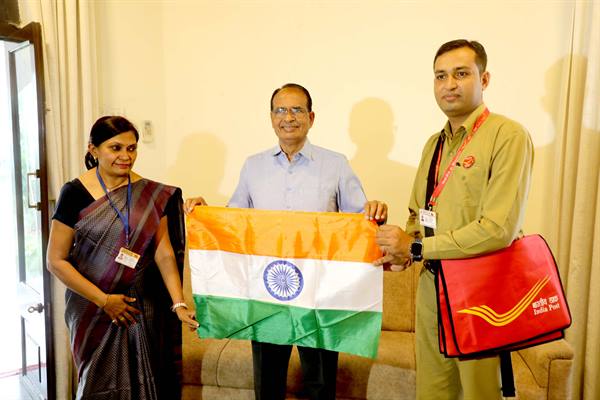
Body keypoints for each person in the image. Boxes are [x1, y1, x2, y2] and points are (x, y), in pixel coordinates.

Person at [185, 83, 387, 400]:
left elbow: (359, 220)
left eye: (296, 110)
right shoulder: (253, 165)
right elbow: (235, 221)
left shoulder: (335, 164)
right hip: (267, 289)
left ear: (311, 117)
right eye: (281, 110)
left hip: (319, 292)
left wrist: (375, 211)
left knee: (320, 383)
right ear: (271, 117)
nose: (288, 117)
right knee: (268, 381)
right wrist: (205, 211)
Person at [374, 40, 534, 399]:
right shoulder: (434, 144)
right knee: (433, 392)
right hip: (432, 286)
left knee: (479, 393)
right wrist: (401, 252)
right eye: (441, 76)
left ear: (484, 78)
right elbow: (419, 214)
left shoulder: (508, 136)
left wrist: (415, 246)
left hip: (481, 290)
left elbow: (497, 230)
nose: (450, 84)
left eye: (461, 74)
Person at [46, 116, 199, 400]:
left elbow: (164, 252)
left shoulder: (153, 193)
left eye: (131, 148)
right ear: (93, 149)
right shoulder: (74, 193)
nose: (125, 156)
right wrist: (104, 301)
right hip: (93, 308)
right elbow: (55, 260)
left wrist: (178, 303)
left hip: (142, 306)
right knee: (97, 383)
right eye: (115, 148)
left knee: (147, 382)